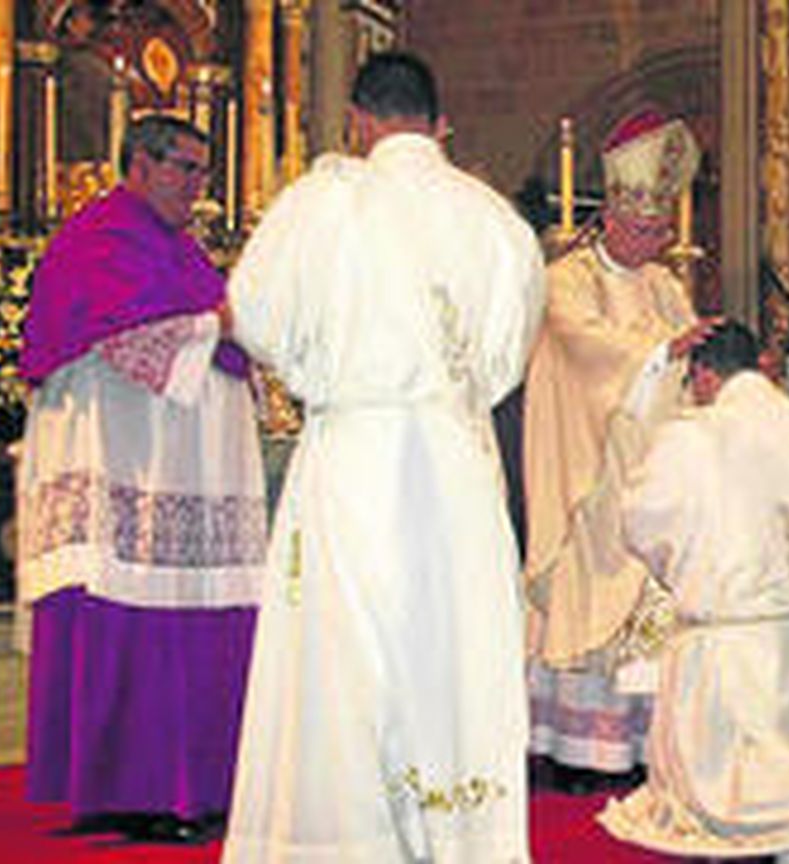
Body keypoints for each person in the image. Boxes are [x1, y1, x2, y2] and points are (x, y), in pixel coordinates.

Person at [220, 52, 544, 861]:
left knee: (343, 652)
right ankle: (460, 837)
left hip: (354, 458)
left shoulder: (324, 200)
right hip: (458, 460)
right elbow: (508, 359)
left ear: (358, 121)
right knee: (455, 648)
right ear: (439, 124)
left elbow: (253, 313)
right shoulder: (495, 220)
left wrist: (311, 370)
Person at [16, 114, 267, 843]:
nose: (199, 186)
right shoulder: (100, 237)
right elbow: (127, 335)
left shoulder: (178, 245)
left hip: (179, 461)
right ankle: (143, 790)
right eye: (186, 168)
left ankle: (193, 785)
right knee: (133, 616)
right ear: (139, 164)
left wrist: (226, 326)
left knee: (187, 618)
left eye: (203, 171)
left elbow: (202, 325)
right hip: (126, 462)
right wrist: (223, 324)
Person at [599, 321, 789, 864]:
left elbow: (641, 520)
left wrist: (688, 570)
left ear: (704, 375)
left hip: (722, 647)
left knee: (734, 789)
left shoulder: (690, 435)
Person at [522, 108, 703, 786]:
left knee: (652, 610)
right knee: (589, 598)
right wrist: (662, 352)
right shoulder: (568, 278)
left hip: (656, 475)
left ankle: (640, 747)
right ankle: (579, 750)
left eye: (662, 230)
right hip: (589, 474)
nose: (657, 242)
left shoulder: (663, 285)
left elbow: (689, 348)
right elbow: (584, 348)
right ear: (613, 218)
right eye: (646, 229)